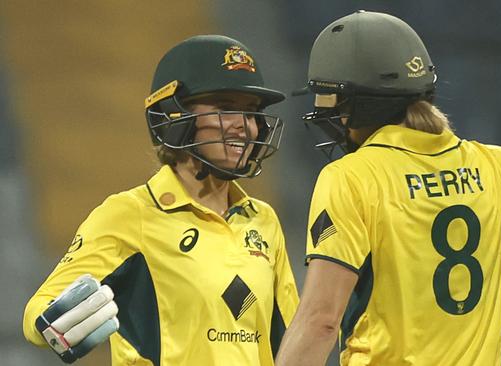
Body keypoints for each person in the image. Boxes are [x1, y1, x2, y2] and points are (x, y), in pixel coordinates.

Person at [275, 11, 501, 366]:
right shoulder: (493, 167)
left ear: (358, 103)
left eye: (331, 98)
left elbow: (321, 320)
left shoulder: (353, 176)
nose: (328, 112)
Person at [23, 35, 299, 365]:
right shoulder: (131, 214)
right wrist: (55, 322)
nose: (246, 127)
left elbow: (293, 339)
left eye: (252, 112)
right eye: (225, 109)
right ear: (172, 116)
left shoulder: (263, 220)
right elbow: (39, 312)